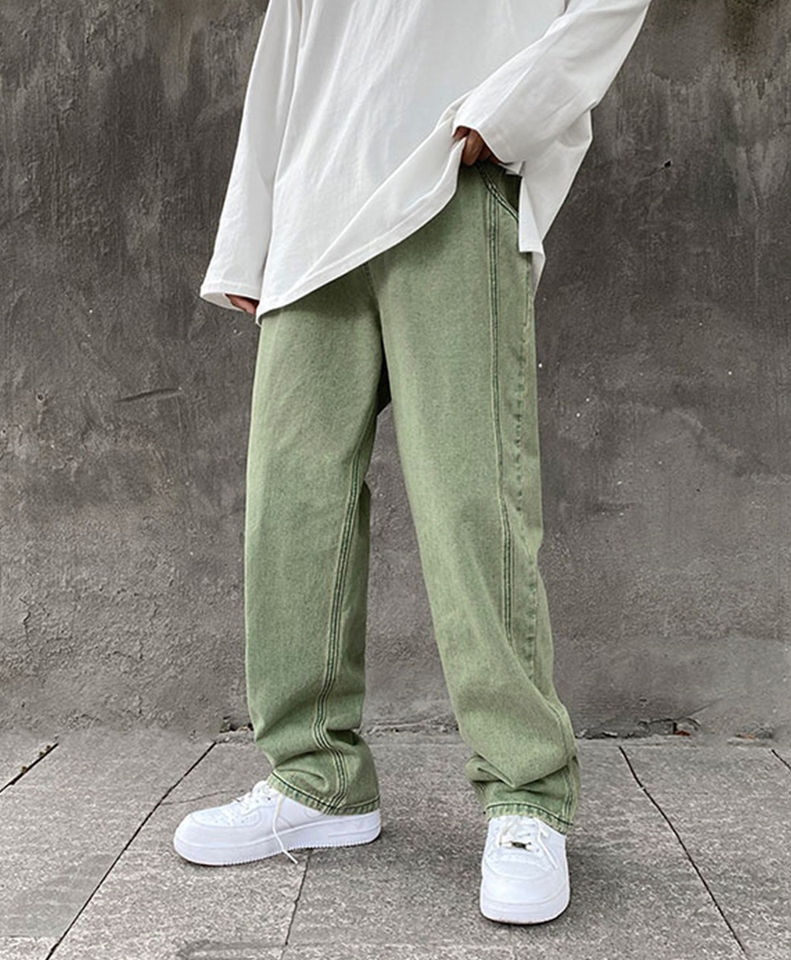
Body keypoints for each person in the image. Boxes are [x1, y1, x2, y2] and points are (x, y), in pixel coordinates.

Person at [173, 0, 652, 925]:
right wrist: (249, 232)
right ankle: (316, 778)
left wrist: (503, 117)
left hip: (446, 181)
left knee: (472, 497)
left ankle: (526, 793)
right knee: (290, 503)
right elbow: (289, 41)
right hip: (315, 200)